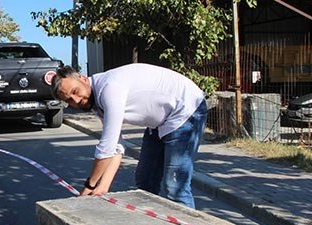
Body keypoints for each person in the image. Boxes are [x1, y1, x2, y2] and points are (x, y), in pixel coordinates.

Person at [51, 63, 208, 209]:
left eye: (75, 92)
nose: (77, 101)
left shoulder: (109, 89)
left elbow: (107, 147)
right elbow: (117, 148)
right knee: (146, 179)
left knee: (174, 186)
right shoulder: (97, 101)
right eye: (69, 100)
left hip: (186, 109)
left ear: (83, 79)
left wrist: (90, 185)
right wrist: (103, 188)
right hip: (161, 122)